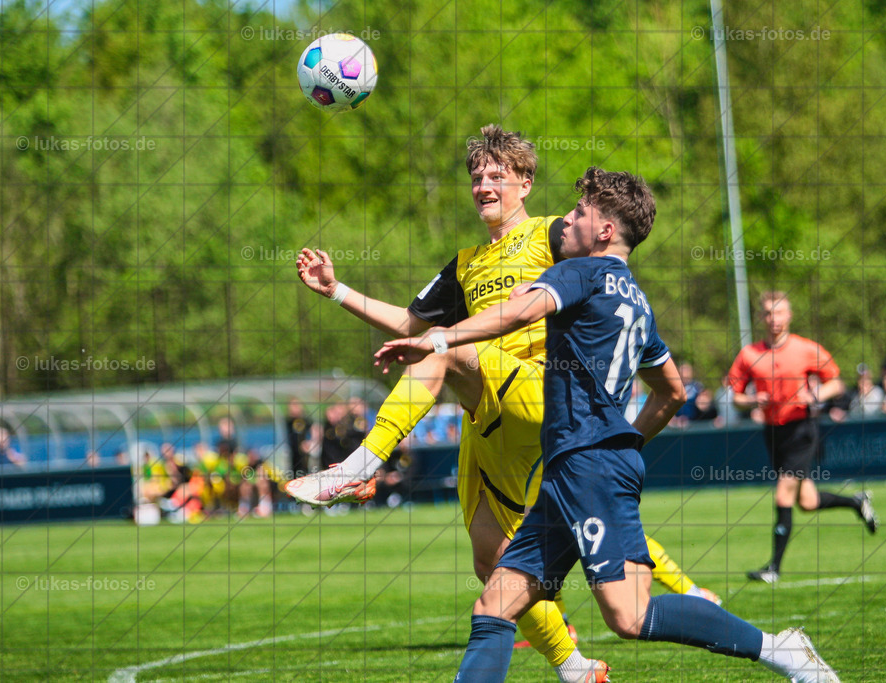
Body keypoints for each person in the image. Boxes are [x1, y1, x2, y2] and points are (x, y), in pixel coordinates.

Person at [284, 126, 715, 681]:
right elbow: (411, 326)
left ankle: (360, 467)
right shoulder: (463, 264)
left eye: (497, 176)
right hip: (487, 414)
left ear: (526, 184)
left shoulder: (553, 233)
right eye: (476, 177)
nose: (484, 185)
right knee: (492, 561)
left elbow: (604, 262)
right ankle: (574, 665)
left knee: (446, 349)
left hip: (538, 390)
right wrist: (337, 290)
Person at [376, 167, 839, 682]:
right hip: (577, 470)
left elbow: (516, 313)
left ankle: (780, 649)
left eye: (578, 212)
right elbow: (672, 392)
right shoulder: (637, 301)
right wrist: (626, 442)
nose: (567, 220)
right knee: (493, 605)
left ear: (603, 232)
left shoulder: (579, 272)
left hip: (586, 468)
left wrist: (439, 339)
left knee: (630, 615)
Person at [728, 290, 878, 584]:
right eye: (769, 313)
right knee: (807, 502)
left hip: (802, 429)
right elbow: (734, 397)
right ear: (761, 317)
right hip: (773, 431)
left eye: (780, 312)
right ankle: (857, 503)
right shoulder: (749, 355)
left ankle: (773, 568)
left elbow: (835, 382)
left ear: (789, 315)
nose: (774, 319)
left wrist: (817, 393)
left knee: (783, 493)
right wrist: (751, 401)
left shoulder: (806, 349)